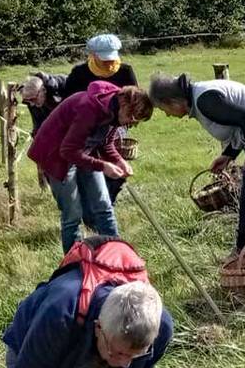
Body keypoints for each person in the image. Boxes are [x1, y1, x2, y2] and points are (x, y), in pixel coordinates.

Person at [3, 243, 173, 368]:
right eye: (118, 353)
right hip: (37, 347)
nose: (126, 364)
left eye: (135, 356)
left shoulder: (160, 329)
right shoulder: (59, 314)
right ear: (98, 327)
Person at [148, 73, 245, 251]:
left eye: (164, 110)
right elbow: (235, 125)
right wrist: (228, 155)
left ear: (172, 101)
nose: (167, 115)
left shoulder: (205, 101)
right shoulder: (199, 100)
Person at [28, 82, 153, 252]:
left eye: (136, 121)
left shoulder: (115, 110)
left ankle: (115, 254)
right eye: (131, 117)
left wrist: (118, 160)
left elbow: (107, 142)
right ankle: (74, 261)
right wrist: (103, 166)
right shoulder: (89, 109)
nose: (130, 123)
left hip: (83, 151)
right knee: (72, 214)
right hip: (56, 156)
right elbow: (68, 151)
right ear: (124, 104)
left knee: (104, 205)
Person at [64, 34, 140, 204]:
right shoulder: (79, 73)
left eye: (111, 57)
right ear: (92, 55)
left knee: (114, 161)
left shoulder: (125, 71)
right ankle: (90, 200)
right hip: (85, 128)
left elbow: (135, 98)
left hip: (115, 125)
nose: (109, 63)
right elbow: (67, 102)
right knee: (89, 164)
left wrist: (131, 118)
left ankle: (109, 199)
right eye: (103, 58)